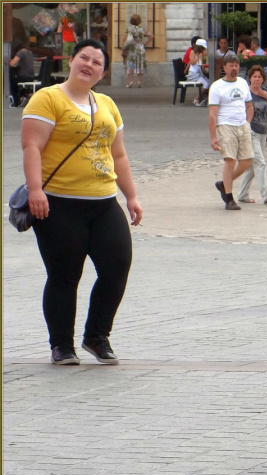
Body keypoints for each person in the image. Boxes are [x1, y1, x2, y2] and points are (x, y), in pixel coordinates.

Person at [21, 39, 142, 365]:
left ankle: (96, 337)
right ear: (72, 61)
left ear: (102, 71)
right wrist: (36, 191)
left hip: (103, 202)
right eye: (84, 58)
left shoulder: (106, 104)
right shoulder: (47, 99)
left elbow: (118, 154)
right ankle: (61, 345)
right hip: (58, 203)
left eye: (97, 62)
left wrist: (130, 196)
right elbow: (31, 146)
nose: (89, 65)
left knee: (117, 267)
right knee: (64, 275)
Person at [209, 54, 254, 211]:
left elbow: (249, 105)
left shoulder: (242, 83)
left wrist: (247, 122)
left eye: (236, 65)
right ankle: (229, 198)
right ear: (224, 67)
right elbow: (213, 113)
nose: (234, 68)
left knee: (247, 160)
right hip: (225, 125)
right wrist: (214, 136)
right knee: (230, 160)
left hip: (242, 125)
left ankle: (224, 183)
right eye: (231, 65)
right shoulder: (217, 86)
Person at [237, 65, 267, 205]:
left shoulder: (265, 92)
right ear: (250, 78)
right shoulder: (245, 93)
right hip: (250, 131)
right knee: (260, 162)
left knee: (251, 165)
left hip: (263, 132)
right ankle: (266, 193)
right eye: (254, 76)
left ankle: (242, 194)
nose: (257, 79)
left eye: (259, 77)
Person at [123, 14, 153, 88]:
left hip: (132, 47)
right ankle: (139, 81)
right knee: (140, 64)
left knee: (130, 63)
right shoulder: (141, 29)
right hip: (140, 47)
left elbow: (124, 39)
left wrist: (124, 47)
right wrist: (145, 43)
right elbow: (151, 36)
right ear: (139, 21)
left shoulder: (129, 29)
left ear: (131, 21)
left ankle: (131, 81)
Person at [9, 41, 35, 108]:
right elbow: (22, 63)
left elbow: (12, 64)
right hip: (31, 77)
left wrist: (10, 61)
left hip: (23, 76)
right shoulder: (30, 52)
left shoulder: (21, 52)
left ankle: (15, 101)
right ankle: (23, 96)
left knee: (11, 81)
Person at [185, 38, 209, 106]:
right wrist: (198, 57)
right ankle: (196, 99)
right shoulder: (193, 52)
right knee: (206, 84)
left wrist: (204, 71)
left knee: (209, 82)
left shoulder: (201, 53)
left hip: (199, 73)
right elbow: (192, 62)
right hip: (193, 74)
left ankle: (203, 98)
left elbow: (200, 64)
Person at [56, 3, 79, 71]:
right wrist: (60, 41)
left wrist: (77, 42)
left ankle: (71, 72)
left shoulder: (73, 20)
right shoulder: (64, 19)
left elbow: (73, 31)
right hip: (65, 40)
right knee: (65, 58)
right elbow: (59, 30)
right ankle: (65, 74)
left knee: (72, 57)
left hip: (71, 40)